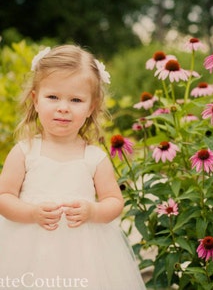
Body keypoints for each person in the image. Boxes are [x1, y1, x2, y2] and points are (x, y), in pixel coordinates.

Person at [0, 45, 146, 290]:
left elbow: (114, 201)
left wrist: (92, 211)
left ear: (91, 107)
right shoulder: (25, 152)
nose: (63, 107)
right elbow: (4, 197)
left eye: (76, 100)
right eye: (53, 97)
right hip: (26, 247)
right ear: (35, 100)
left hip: (85, 254)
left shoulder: (93, 157)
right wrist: (32, 213)